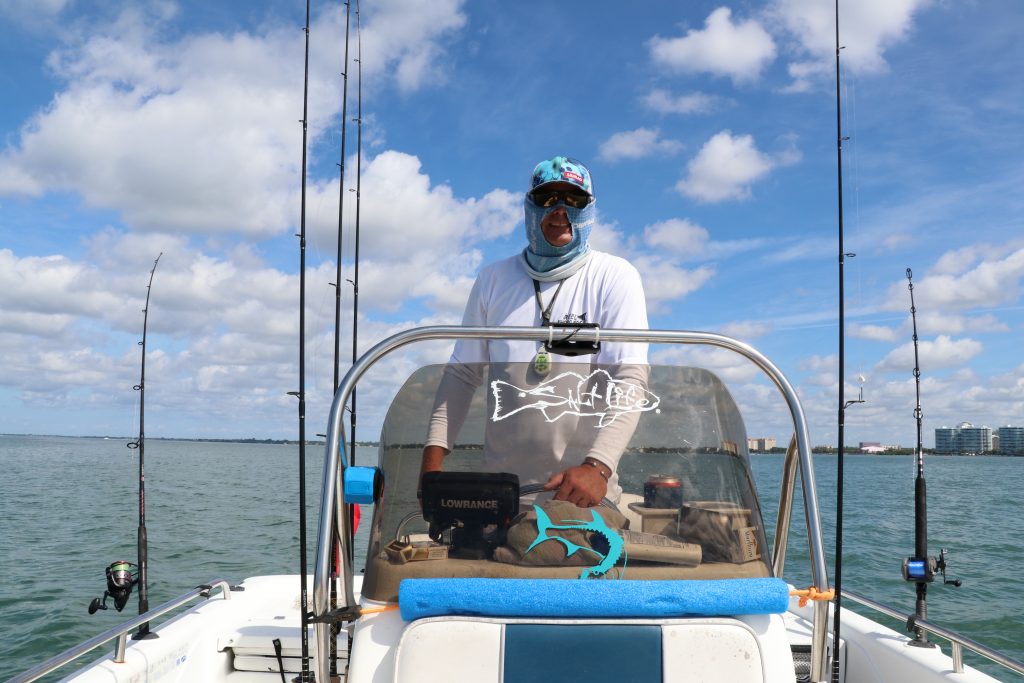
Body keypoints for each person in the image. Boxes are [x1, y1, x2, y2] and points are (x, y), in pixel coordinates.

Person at [421, 155, 649, 507]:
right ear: (530, 207)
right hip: (499, 494)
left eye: (574, 199)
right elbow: (462, 374)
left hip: (581, 496)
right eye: (547, 198)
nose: (560, 210)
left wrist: (598, 468)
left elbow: (629, 378)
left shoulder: (615, 276)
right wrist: (431, 467)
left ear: (590, 209)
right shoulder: (492, 279)